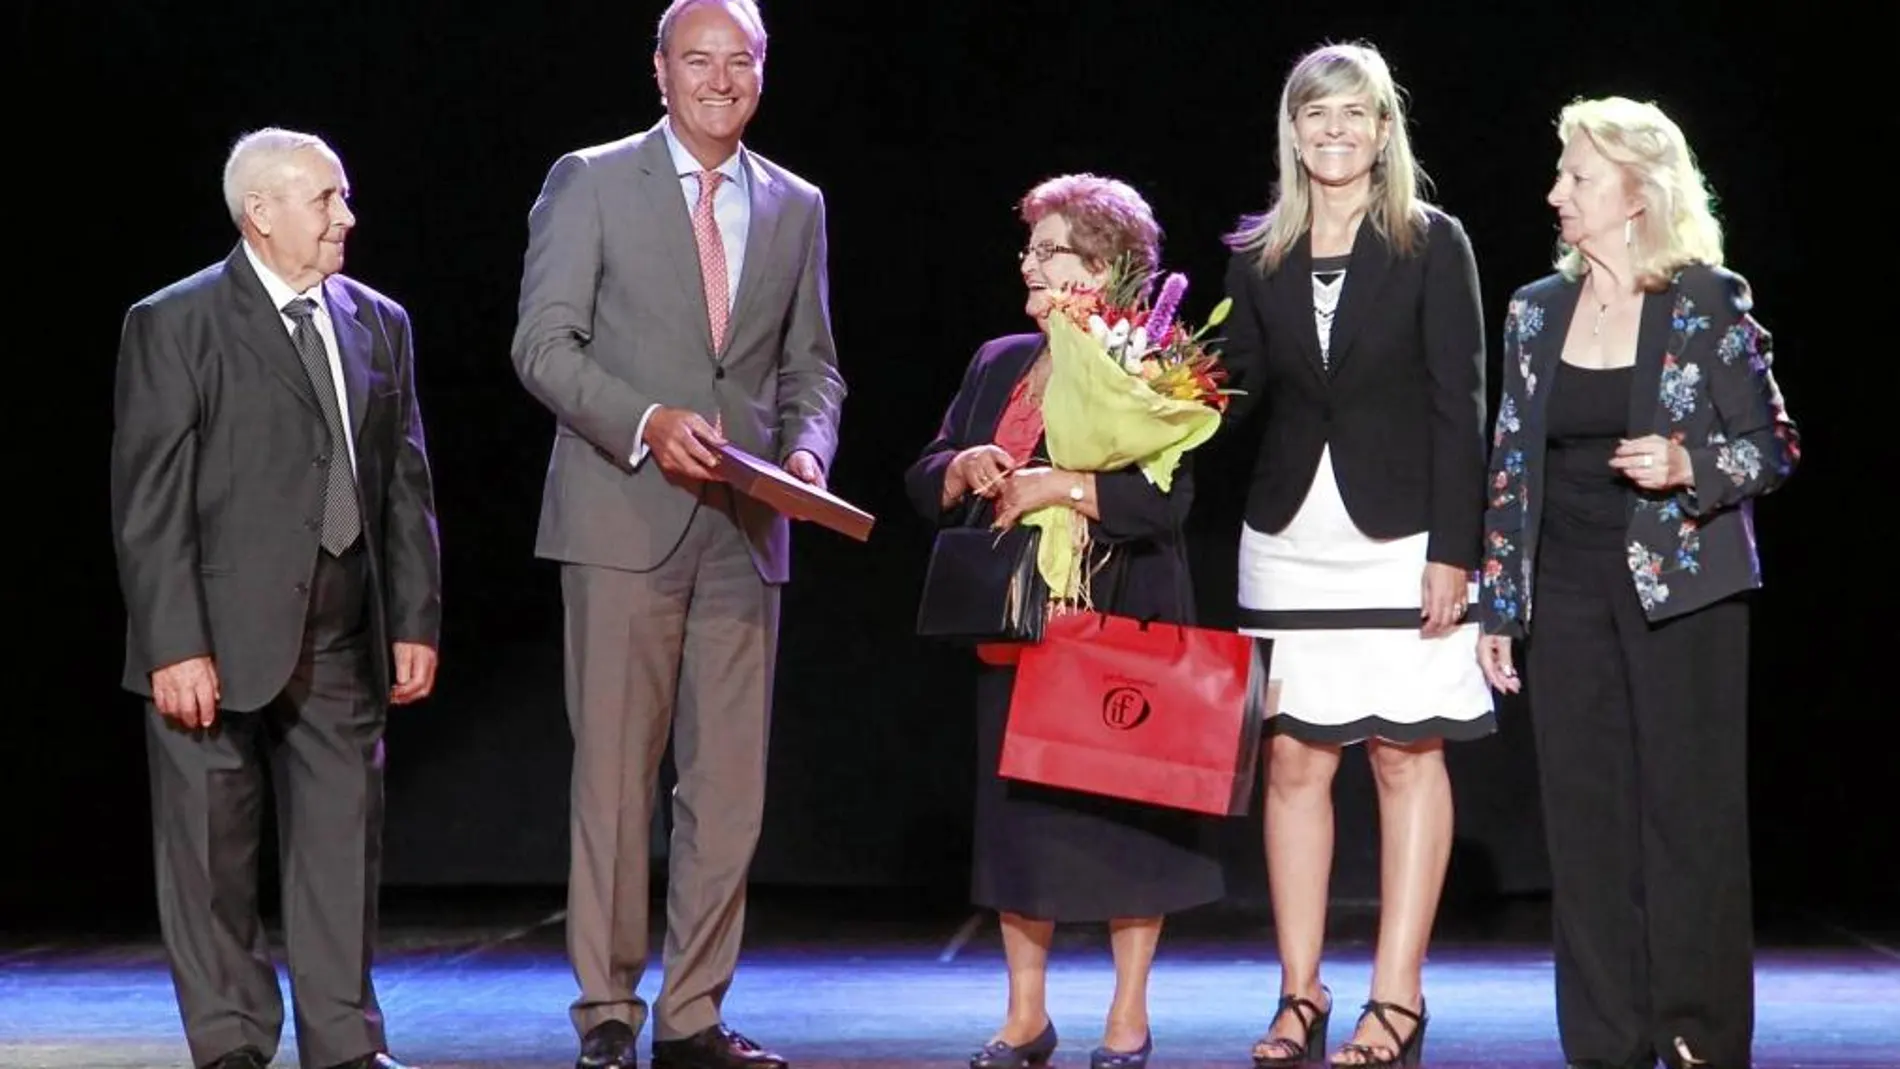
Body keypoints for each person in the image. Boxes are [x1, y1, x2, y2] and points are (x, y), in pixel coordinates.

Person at [509, 1, 845, 1067]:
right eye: (695, 59)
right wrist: (645, 423)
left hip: (746, 527)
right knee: (613, 780)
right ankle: (607, 1008)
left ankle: (694, 1011)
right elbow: (542, 346)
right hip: (622, 516)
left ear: (762, 73)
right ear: (659, 72)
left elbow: (813, 364)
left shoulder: (796, 202)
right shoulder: (592, 178)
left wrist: (805, 456)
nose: (717, 78)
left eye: (737, 60)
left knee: (728, 785)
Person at [1477, 96, 1799, 1069]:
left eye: (1574, 176)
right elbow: (1507, 461)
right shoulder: (1534, 311)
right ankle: (1607, 1042)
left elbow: (1774, 446)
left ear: (1633, 192)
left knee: (1686, 820)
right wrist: (1501, 601)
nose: (1554, 194)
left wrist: (1688, 462)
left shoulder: (1704, 298)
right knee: (1584, 827)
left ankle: (1694, 1035)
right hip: (1565, 587)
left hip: (1683, 590)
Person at [109, 127, 441, 1069]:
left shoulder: (379, 320)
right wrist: (175, 642)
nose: (348, 215)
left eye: (342, 197)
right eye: (327, 199)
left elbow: (404, 480)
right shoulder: (176, 322)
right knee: (212, 856)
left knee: (342, 848)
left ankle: (343, 1043)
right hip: (212, 635)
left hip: (341, 626)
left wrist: (414, 617)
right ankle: (232, 1043)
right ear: (260, 214)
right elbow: (149, 498)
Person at [905, 174, 1222, 1069]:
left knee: (1128, 821)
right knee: (1019, 824)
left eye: (1053, 251)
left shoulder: (1150, 365)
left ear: (1107, 268)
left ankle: (1126, 1018)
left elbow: (1168, 498)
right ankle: (1025, 1018)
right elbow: (924, 474)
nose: (1031, 264)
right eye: (1030, 249)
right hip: (1020, 622)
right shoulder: (1000, 358)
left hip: (1123, 610)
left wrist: (1067, 486)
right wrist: (961, 465)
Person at [1218, 42, 1493, 1069]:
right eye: (1314, 115)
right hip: (1287, 541)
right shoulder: (1258, 252)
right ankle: (1300, 995)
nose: (1333, 132)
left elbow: (1459, 406)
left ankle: (1397, 998)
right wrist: (1139, 391)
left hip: (1404, 540)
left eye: (1354, 116)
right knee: (1293, 760)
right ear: (1291, 132)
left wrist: (1454, 552)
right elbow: (1233, 391)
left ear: (1383, 131)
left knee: (1402, 751)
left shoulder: (1432, 241)